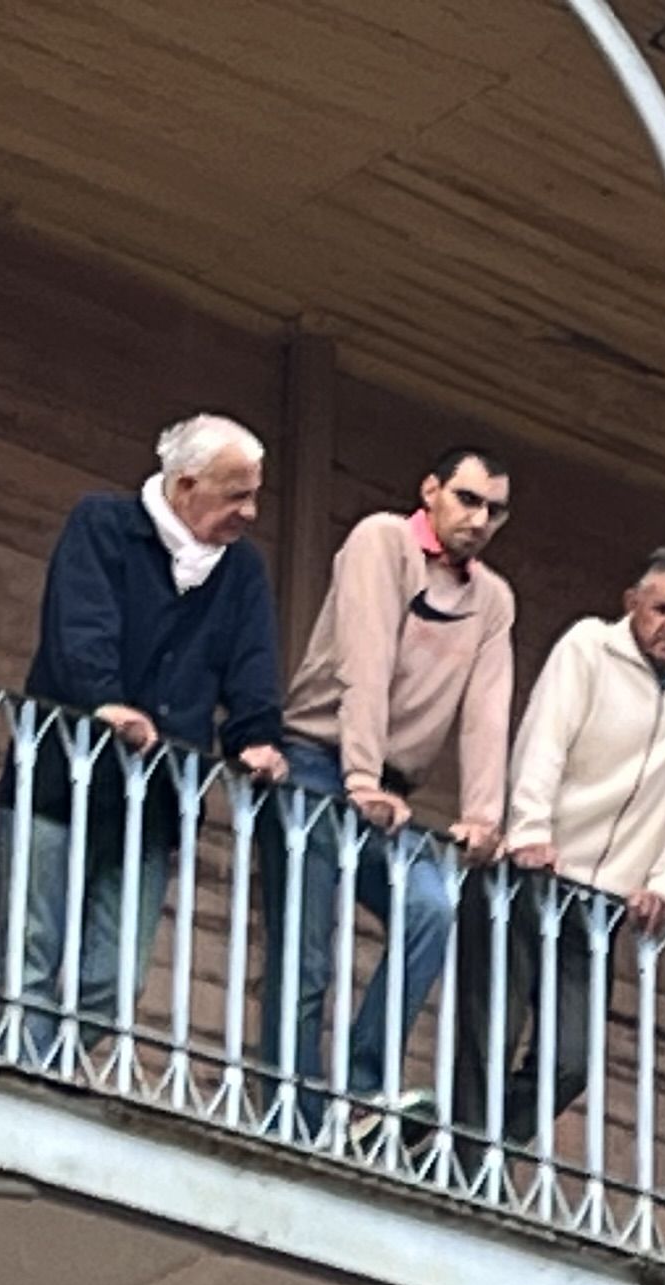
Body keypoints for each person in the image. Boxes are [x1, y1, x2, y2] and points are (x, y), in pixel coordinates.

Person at [2, 415, 288, 1057]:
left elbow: (252, 670)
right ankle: (26, 1078)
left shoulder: (241, 573)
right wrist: (105, 701)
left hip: (153, 801)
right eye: (237, 494)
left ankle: (45, 1072)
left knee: (116, 980)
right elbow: (79, 629)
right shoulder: (104, 526)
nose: (251, 510)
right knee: (31, 955)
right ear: (186, 485)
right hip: (57, 773)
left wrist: (255, 737)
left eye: (255, 493)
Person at [264, 442, 518, 1123]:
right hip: (318, 762)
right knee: (308, 956)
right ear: (430, 490)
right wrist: (359, 774)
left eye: (495, 510)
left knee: (431, 907)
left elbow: (488, 711)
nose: (480, 519)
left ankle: (362, 1084)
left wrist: (484, 814)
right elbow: (365, 659)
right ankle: (292, 1112)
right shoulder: (383, 540)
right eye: (467, 500)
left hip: (389, 790)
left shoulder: (492, 599)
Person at [485, 549, 665, 1148]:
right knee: (492, 1030)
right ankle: (461, 1149)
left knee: (569, 1061)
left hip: (601, 907)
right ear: (632, 604)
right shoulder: (589, 647)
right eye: (663, 609)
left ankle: (488, 1146)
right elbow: (546, 739)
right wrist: (531, 829)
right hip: (536, 877)